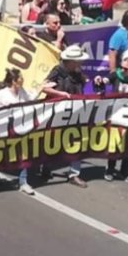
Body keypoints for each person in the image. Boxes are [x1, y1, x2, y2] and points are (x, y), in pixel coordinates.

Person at [41, 45, 92, 187]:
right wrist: (61, 94)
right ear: (71, 61)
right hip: (57, 111)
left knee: (78, 141)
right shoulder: (57, 71)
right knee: (52, 141)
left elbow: (84, 83)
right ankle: (45, 167)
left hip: (75, 111)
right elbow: (44, 87)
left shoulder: (77, 72)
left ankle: (74, 174)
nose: (80, 63)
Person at [0, 68, 36, 195]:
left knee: (24, 153)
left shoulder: (23, 92)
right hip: (3, 130)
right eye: (20, 77)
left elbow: (32, 98)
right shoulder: (0, 95)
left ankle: (23, 182)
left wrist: (42, 88)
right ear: (14, 81)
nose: (23, 79)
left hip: (20, 129)